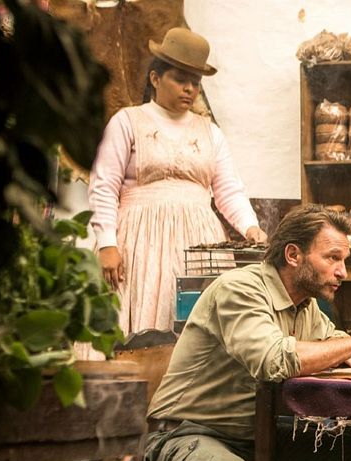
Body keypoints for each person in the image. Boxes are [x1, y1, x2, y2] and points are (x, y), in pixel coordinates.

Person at [142, 205, 351, 461]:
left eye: (344, 260)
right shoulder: (239, 289)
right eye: (332, 258)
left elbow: (331, 340)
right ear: (293, 255)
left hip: (258, 435)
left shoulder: (305, 304)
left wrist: (349, 349)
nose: (343, 272)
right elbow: (272, 360)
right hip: (187, 433)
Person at [88, 27, 266, 335]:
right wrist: (107, 243)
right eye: (180, 79)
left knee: (198, 327)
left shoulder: (209, 131)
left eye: (195, 83)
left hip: (198, 246)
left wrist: (250, 227)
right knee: (137, 330)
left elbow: (228, 190)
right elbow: (104, 185)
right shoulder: (127, 121)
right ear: (156, 79)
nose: (189, 89)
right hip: (139, 241)